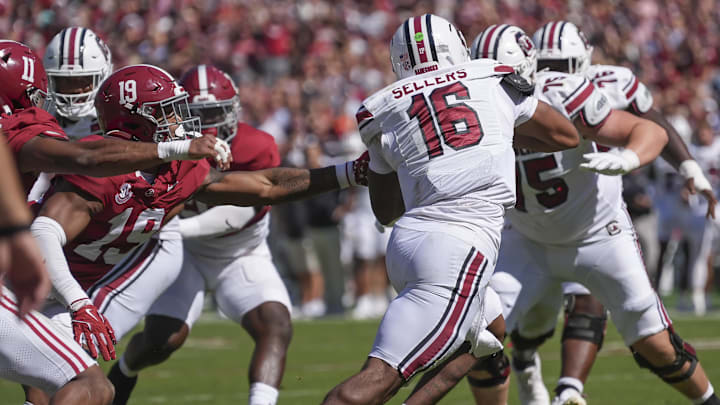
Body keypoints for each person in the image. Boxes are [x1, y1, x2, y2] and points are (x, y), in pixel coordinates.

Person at [30, 63, 367, 383]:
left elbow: (267, 186)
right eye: (168, 111)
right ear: (136, 123)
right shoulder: (102, 170)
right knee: (76, 384)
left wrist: (349, 173)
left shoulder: (180, 170)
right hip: (28, 287)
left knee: (85, 385)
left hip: (76, 288)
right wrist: (80, 304)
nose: (181, 120)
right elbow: (43, 233)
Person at [321, 14, 579, 405]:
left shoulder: (382, 106)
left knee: (489, 334)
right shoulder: (491, 76)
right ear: (456, 45)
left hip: (408, 242)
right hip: (459, 247)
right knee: (372, 385)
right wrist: (501, 132)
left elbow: (385, 210)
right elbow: (565, 134)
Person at [465, 22, 719, 405]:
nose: (494, 87)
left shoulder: (568, 91)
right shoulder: (469, 107)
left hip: (597, 233)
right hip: (526, 237)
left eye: (502, 76)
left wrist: (628, 157)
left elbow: (653, 131)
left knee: (656, 343)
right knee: (477, 336)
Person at [106, 65, 293, 405]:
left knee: (275, 324)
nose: (209, 127)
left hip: (240, 252)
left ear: (233, 110)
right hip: (182, 254)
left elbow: (245, 209)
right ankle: (123, 371)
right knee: (161, 341)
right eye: (198, 115)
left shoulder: (256, 146)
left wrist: (176, 225)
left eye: (216, 114)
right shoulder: (163, 147)